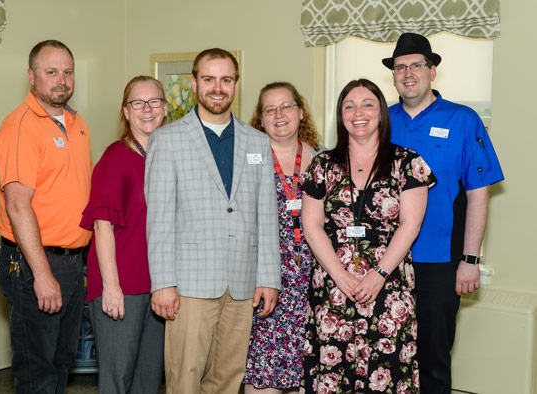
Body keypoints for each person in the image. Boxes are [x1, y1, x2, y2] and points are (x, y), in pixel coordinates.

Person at [145, 47, 281, 394]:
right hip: (189, 285)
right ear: (194, 84)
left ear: (236, 84)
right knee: (185, 377)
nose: (217, 87)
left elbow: (266, 215)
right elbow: (159, 219)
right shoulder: (168, 139)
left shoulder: (258, 142)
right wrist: (162, 283)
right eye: (209, 79)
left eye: (226, 79)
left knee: (227, 377)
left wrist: (269, 277)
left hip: (242, 284)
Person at [383, 32, 504, 394]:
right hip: (385, 260)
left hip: (440, 259)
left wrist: (470, 259)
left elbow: (478, 194)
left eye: (416, 65)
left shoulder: (463, 120)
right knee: (385, 355)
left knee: (432, 356)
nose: (408, 73)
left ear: (432, 71)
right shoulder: (380, 120)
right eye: (400, 67)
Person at [300, 79, 436, 393]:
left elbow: (409, 226)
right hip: (333, 286)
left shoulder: (407, 163)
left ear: (381, 113)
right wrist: (341, 277)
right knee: (333, 371)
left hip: (388, 287)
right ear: (340, 114)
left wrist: (377, 275)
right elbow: (312, 226)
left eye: (368, 104)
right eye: (349, 105)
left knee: (385, 370)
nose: (358, 112)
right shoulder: (322, 166)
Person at [0, 39, 92, 394]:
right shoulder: (20, 127)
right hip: (34, 264)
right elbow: (18, 206)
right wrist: (43, 275)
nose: (61, 80)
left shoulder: (77, 124)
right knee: (38, 372)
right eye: (51, 72)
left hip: (71, 262)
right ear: (31, 76)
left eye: (67, 72)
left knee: (62, 362)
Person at [79, 76, 167, 394]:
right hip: (122, 288)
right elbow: (101, 225)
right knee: (117, 381)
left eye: (154, 101)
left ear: (165, 108)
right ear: (126, 112)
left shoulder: (166, 158)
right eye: (137, 103)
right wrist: (112, 288)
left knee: (147, 380)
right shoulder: (115, 158)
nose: (146, 109)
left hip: (159, 288)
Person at [242, 82, 324, 394]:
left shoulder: (322, 161)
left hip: (312, 280)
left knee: (306, 370)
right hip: (263, 281)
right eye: (269, 109)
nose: (279, 114)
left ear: (301, 112)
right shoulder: (247, 161)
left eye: (286, 106)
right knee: (263, 371)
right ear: (260, 118)